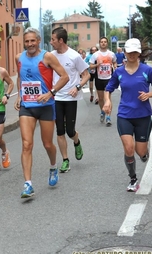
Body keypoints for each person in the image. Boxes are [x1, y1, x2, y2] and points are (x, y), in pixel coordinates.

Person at [14, 27, 69, 198]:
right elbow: (20, 77)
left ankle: (53, 166)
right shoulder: (19, 58)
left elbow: (64, 76)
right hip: (27, 107)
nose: (30, 44)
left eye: (32, 41)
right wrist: (19, 96)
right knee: (26, 144)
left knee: (47, 144)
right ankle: (28, 184)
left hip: (46, 105)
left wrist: (50, 93)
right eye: (27, 41)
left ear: (38, 41)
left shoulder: (47, 57)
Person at [103, 38, 152, 192]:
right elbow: (109, 88)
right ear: (124, 52)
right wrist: (107, 101)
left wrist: (149, 94)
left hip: (143, 116)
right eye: (129, 52)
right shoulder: (118, 72)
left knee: (140, 152)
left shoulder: (147, 70)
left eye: (135, 52)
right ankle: (133, 178)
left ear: (139, 53)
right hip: (125, 115)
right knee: (128, 148)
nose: (132, 55)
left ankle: (145, 154)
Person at [50, 27, 90, 173]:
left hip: (71, 98)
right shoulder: (51, 56)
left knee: (70, 131)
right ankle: (65, 160)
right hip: (57, 97)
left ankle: (76, 141)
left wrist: (77, 87)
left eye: (53, 39)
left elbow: (86, 75)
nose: (51, 42)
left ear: (61, 40)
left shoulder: (74, 56)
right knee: (60, 130)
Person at [89, 37, 117, 126]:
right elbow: (90, 66)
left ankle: (108, 117)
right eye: (102, 42)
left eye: (105, 42)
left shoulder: (111, 54)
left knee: (108, 98)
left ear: (107, 43)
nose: (103, 43)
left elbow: (115, 62)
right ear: (99, 43)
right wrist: (98, 64)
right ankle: (102, 111)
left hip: (109, 78)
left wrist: (115, 67)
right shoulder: (96, 55)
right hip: (99, 78)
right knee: (101, 99)